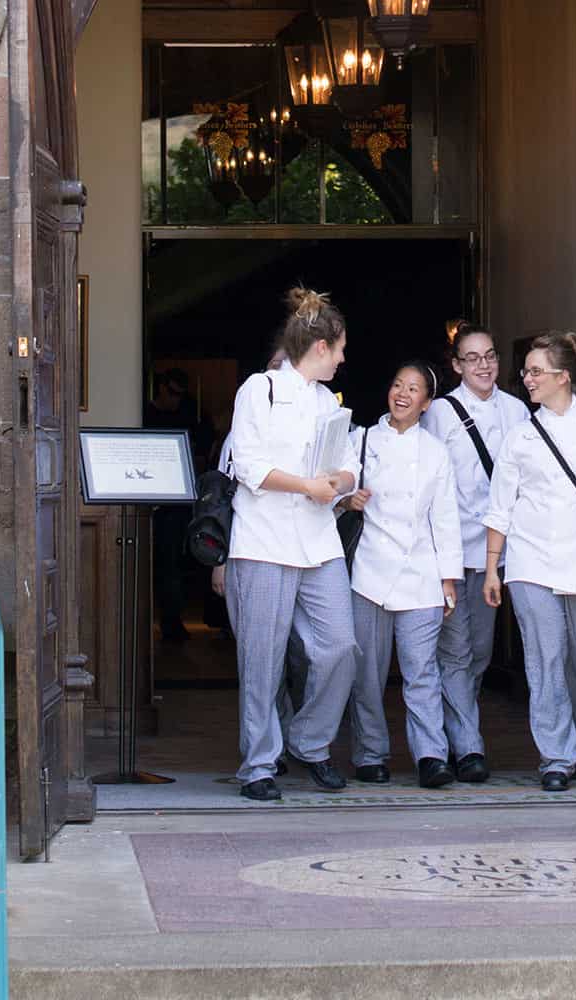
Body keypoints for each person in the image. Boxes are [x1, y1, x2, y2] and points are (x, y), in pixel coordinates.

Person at [482, 332, 576, 792]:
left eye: (535, 371)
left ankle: (564, 740)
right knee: (545, 658)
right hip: (531, 561)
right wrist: (493, 567)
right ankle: (556, 755)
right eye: (526, 371)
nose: (526, 379)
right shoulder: (521, 435)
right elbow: (500, 506)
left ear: (562, 377)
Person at [225, 287, 359, 802]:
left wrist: (342, 481)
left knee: (340, 647)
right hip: (263, 541)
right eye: (341, 347)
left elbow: (351, 462)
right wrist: (308, 486)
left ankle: (309, 740)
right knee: (262, 658)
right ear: (320, 347)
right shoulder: (258, 390)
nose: (344, 358)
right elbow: (251, 466)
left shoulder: (329, 401)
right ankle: (258, 763)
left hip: (319, 542)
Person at [340, 361, 464, 788]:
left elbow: (444, 517)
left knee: (422, 671)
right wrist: (347, 499)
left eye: (414, 389)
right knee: (367, 673)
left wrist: (449, 578)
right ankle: (370, 753)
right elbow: (336, 491)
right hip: (369, 572)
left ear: (427, 403)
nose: (403, 393)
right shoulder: (361, 440)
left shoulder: (434, 452)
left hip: (421, 573)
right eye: (397, 384)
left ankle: (432, 755)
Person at [421, 321, 530, 783]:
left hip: (496, 553)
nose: (483, 365)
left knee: (479, 650)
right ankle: (467, 748)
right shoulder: (441, 414)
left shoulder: (519, 411)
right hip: (449, 550)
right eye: (472, 358)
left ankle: (456, 734)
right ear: (456, 366)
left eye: (489, 356)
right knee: (455, 650)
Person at [212, 341, 307, 772]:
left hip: (302, 552)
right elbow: (223, 501)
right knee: (260, 658)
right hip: (249, 550)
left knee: (297, 658)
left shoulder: (312, 419)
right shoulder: (239, 436)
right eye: (275, 366)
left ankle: (288, 740)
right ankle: (267, 751)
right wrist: (220, 562)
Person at [144, 368, 214, 642]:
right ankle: (165, 623)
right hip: (155, 498)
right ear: (160, 387)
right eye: (172, 392)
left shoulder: (188, 415)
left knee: (179, 563)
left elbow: (201, 448)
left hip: (183, 499)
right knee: (163, 563)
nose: (176, 399)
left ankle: (175, 622)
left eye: (180, 394)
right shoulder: (145, 415)